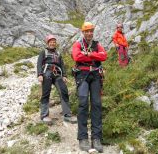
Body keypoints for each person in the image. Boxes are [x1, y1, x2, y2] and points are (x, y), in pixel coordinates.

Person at [71, 22, 107, 153]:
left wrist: (89, 55)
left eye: (91, 31)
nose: (89, 33)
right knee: (83, 103)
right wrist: (91, 55)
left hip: (96, 75)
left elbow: (104, 56)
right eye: (87, 31)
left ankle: (96, 138)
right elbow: (76, 56)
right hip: (82, 75)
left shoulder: (97, 44)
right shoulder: (77, 44)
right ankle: (83, 137)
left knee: (97, 104)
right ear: (83, 32)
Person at [37, 34, 77, 124]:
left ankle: (67, 115)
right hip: (46, 73)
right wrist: (39, 74)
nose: (52, 43)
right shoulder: (44, 52)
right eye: (51, 42)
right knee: (46, 94)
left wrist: (65, 75)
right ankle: (44, 115)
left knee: (64, 91)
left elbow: (62, 65)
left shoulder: (58, 53)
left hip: (57, 74)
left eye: (54, 42)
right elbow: (39, 63)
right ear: (47, 43)